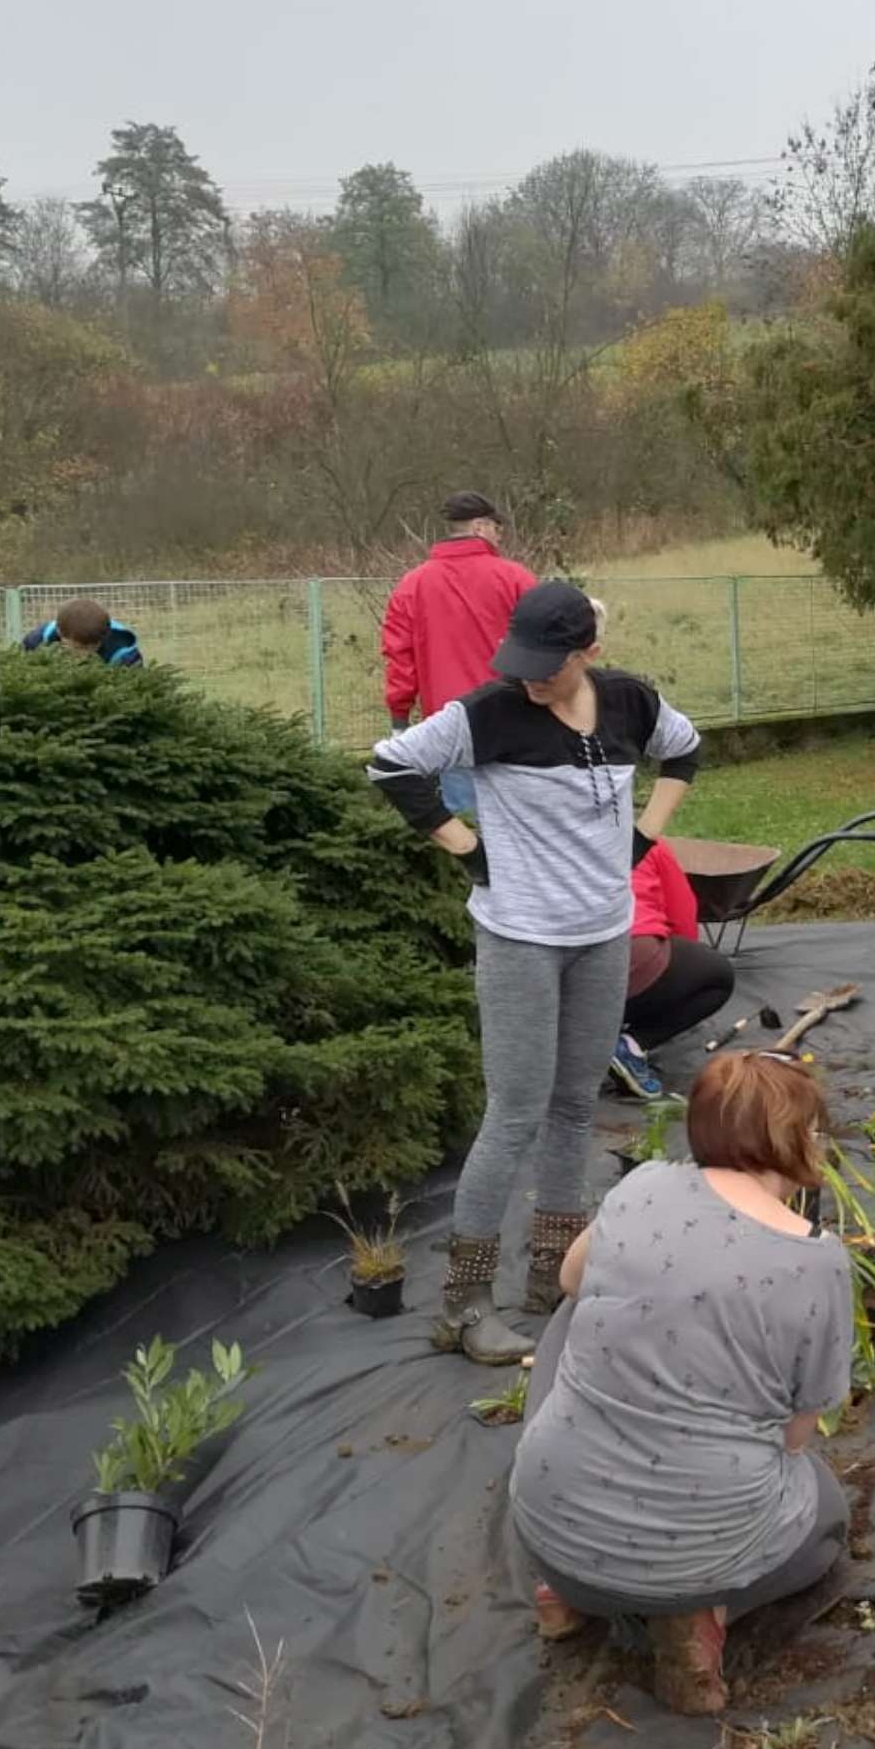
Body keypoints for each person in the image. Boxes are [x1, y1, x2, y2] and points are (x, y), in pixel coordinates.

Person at [368, 581, 701, 1363]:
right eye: (519, 661)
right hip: (521, 938)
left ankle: (554, 1273)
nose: (529, 679)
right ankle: (464, 1303)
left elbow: (685, 749)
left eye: (546, 666)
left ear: (589, 653)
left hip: (603, 935)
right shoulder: (489, 714)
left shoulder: (630, 703)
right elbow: (391, 764)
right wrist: (468, 849)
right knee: (515, 1112)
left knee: (574, 1105)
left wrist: (644, 838)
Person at [514, 1051, 852, 1715]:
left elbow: (570, 1280)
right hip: (698, 1560)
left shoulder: (642, 1187)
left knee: (570, 1318)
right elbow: (795, 1436)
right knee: (827, 1515)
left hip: (552, 1532)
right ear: (793, 1139)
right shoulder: (815, 1260)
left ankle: (566, 1596)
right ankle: (697, 1617)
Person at [381, 491, 538, 817]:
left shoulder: (412, 584)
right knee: (522, 819)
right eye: (497, 528)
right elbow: (542, 644)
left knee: (465, 822)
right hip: (515, 717)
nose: (499, 536)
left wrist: (399, 718)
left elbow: (400, 656)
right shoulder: (516, 578)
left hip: (448, 723)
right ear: (480, 527)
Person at [613, 838, 735, 1096]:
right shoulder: (646, 843)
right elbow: (682, 916)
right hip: (633, 949)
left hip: (556, 965)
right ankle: (632, 1045)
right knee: (718, 976)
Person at [18, 595, 141, 666]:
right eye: (77, 647)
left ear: (105, 636)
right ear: (60, 633)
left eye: (91, 647)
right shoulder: (36, 642)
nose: (84, 655)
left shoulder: (125, 654)